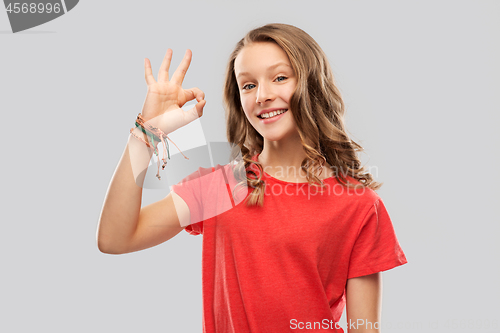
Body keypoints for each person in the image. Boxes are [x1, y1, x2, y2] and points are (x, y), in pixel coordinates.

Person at [97, 23, 407, 333]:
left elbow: (364, 328)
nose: (262, 95)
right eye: (248, 85)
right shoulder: (223, 185)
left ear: (312, 85)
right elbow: (115, 238)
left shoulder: (359, 205)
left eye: (280, 78)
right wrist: (146, 132)